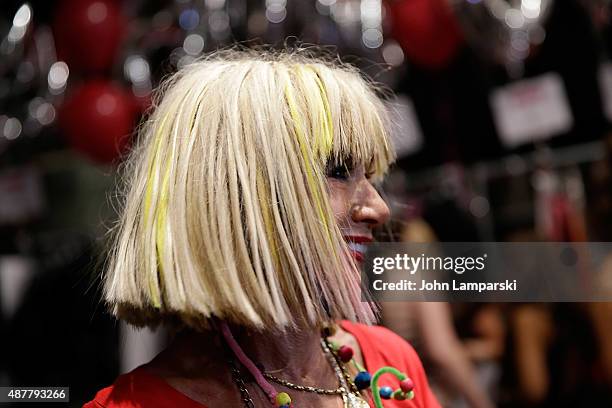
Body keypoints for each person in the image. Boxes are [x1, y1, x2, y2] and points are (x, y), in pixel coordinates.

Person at [85, 48, 440, 408]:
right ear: (238, 197)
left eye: (369, 174)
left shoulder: (391, 363)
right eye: (337, 171)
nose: (378, 208)